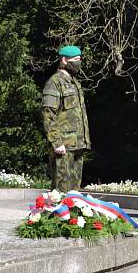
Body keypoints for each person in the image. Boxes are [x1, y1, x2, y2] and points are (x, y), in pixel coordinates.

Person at [41, 45, 90, 192]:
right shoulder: (54, 82)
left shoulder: (75, 83)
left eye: (79, 59)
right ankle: (57, 215)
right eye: (75, 60)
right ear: (64, 60)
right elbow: (48, 113)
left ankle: (72, 215)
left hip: (78, 144)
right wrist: (56, 142)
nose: (78, 63)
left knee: (74, 193)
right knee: (60, 191)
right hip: (63, 146)